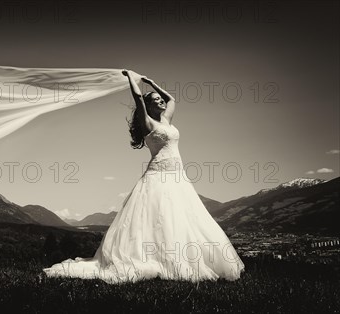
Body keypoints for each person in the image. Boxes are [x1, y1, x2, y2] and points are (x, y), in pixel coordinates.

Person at [42, 70, 245, 284]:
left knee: (179, 218)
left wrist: (153, 83)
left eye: (160, 100)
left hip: (178, 177)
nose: (161, 102)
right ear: (148, 107)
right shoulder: (148, 123)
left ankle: (180, 259)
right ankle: (158, 261)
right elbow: (138, 98)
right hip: (157, 175)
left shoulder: (166, 120)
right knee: (157, 218)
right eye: (156, 100)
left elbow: (172, 99)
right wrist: (131, 77)